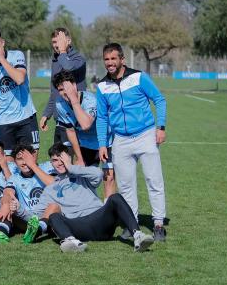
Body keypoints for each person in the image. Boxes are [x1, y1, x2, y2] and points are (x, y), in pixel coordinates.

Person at [96, 42, 168, 241]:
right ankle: (131, 225)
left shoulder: (138, 77)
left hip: (146, 135)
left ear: (122, 60)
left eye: (113, 59)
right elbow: (102, 117)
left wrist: (160, 127)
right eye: (106, 59)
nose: (110, 63)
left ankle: (159, 224)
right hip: (120, 140)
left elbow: (159, 99)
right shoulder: (102, 86)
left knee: (154, 181)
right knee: (126, 186)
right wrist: (103, 143)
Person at [36, 143, 155, 253]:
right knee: (53, 216)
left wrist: (71, 168)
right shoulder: (50, 189)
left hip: (100, 220)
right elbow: (36, 213)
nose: (59, 163)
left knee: (115, 197)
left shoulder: (81, 174)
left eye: (62, 158)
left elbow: (98, 174)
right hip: (78, 226)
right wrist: (18, 208)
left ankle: (138, 235)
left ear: (69, 158)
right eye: (55, 160)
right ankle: (72, 242)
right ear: (51, 163)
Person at [53, 70, 116, 199]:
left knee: (108, 177)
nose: (64, 93)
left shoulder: (90, 100)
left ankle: (109, 211)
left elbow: (86, 124)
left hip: (105, 141)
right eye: (60, 90)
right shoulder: (60, 104)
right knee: (82, 179)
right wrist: (79, 157)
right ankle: (90, 209)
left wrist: (74, 100)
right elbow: (70, 131)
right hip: (85, 143)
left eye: (66, 88)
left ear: (74, 85)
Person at [0, 28, 38, 153]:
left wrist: (1, 59)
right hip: (5, 122)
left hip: (27, 118)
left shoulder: (17, 55)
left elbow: (19, 79)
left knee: (31, 161)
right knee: (8, 165)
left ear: (3, 42)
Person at [0, 144, 57, 244]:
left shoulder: (46, 167)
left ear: (33, 156)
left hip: (47, 215)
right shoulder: (15, 178)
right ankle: (1, 231)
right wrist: (6, 201)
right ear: (15, 162)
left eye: (27, 158)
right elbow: (8, 191)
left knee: (54, 206)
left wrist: (33, 165)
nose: (24, 162)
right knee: (8, 203)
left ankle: (37, 231)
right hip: (27, 218)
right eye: (20, 159)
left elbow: (55, 184)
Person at [40, 28, 87, 145]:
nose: (56, 45)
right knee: (59, 160)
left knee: (77, 160)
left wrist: (62, 51)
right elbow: (54, 92)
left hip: (76, 120)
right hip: (60, 120)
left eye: (59, 41)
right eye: (54, 42)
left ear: (68, 41)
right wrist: (47, 114)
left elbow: (68, 67)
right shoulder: (56, 60)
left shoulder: (78, 59)